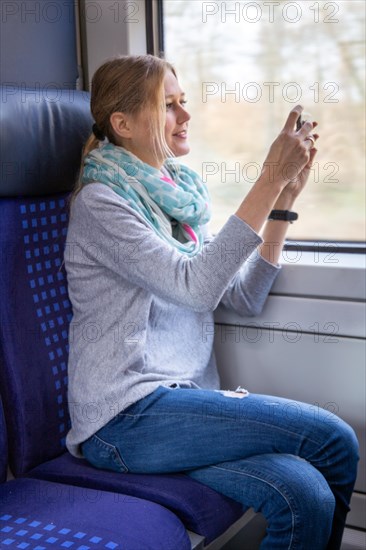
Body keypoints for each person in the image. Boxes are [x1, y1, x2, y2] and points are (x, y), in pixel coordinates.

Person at [65, 55, 359, 550]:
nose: (185, 116)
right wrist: (266, 179)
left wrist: (282, 200)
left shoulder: (178, 198)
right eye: (168, 106)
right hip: (124, 418)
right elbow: (194, 286)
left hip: (180, 405)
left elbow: (242, 297)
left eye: (184, 102)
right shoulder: (101, 205)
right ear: (123, 124)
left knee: (305, 496)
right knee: (334, 439)